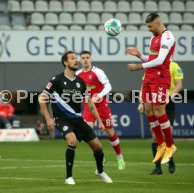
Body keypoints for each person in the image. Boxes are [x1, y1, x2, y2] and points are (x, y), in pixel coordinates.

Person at [38, 51, 113, 185]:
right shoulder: (56, 80)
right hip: (61, 118)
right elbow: (42, 99)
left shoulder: (80, 82)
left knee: (98, 147)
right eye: (73, 59)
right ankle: (69, 178)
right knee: (72, 140)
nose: (76, 61)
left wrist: (100, 121)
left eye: (76, 58)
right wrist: (48, 119)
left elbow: (89, 103)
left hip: (78, 119)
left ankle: (100, 171)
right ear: (65, 62)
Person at [126, 12, 177, 165]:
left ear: (158, 23)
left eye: (150, 26)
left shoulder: (167, 37)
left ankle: (170, 146)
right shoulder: (154, 37)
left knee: (159, 111)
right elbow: (153, 59)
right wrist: (140, 56)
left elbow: (161, 60)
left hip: (160, 78)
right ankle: (161, 144)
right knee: (149, 111)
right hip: (149, 78)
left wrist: (139, 66)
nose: (148, 29)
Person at [76, 50, 125, 170]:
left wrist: (100, 94)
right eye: (83, 58)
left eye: (87, 57)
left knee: (110, 133)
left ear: (90, 59)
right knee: (87, 132)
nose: (86, 60)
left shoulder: (98, 72)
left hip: (101, 106)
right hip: (88, 107)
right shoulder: (77, 74)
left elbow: (108, 86)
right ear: (80, 60)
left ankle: (119, 156)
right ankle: (100, 154)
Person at [138, 61, 184, 174]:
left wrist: (171, 97)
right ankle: (158, 168)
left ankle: (170, 162)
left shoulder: (174, 66)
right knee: (155, 136)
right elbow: (145, 85)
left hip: (168, 102)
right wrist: (141, 102)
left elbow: (179, 84)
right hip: (154, 101)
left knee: (168, 132)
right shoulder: (152, 65)